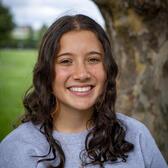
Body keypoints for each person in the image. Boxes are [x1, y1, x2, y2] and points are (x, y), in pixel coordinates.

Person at [0, 14, 167, 168]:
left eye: (93, 59)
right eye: (66, 61)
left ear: (107, 68)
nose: (82, 74)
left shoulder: (136, 136)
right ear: (47, 72)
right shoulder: (15, 148)